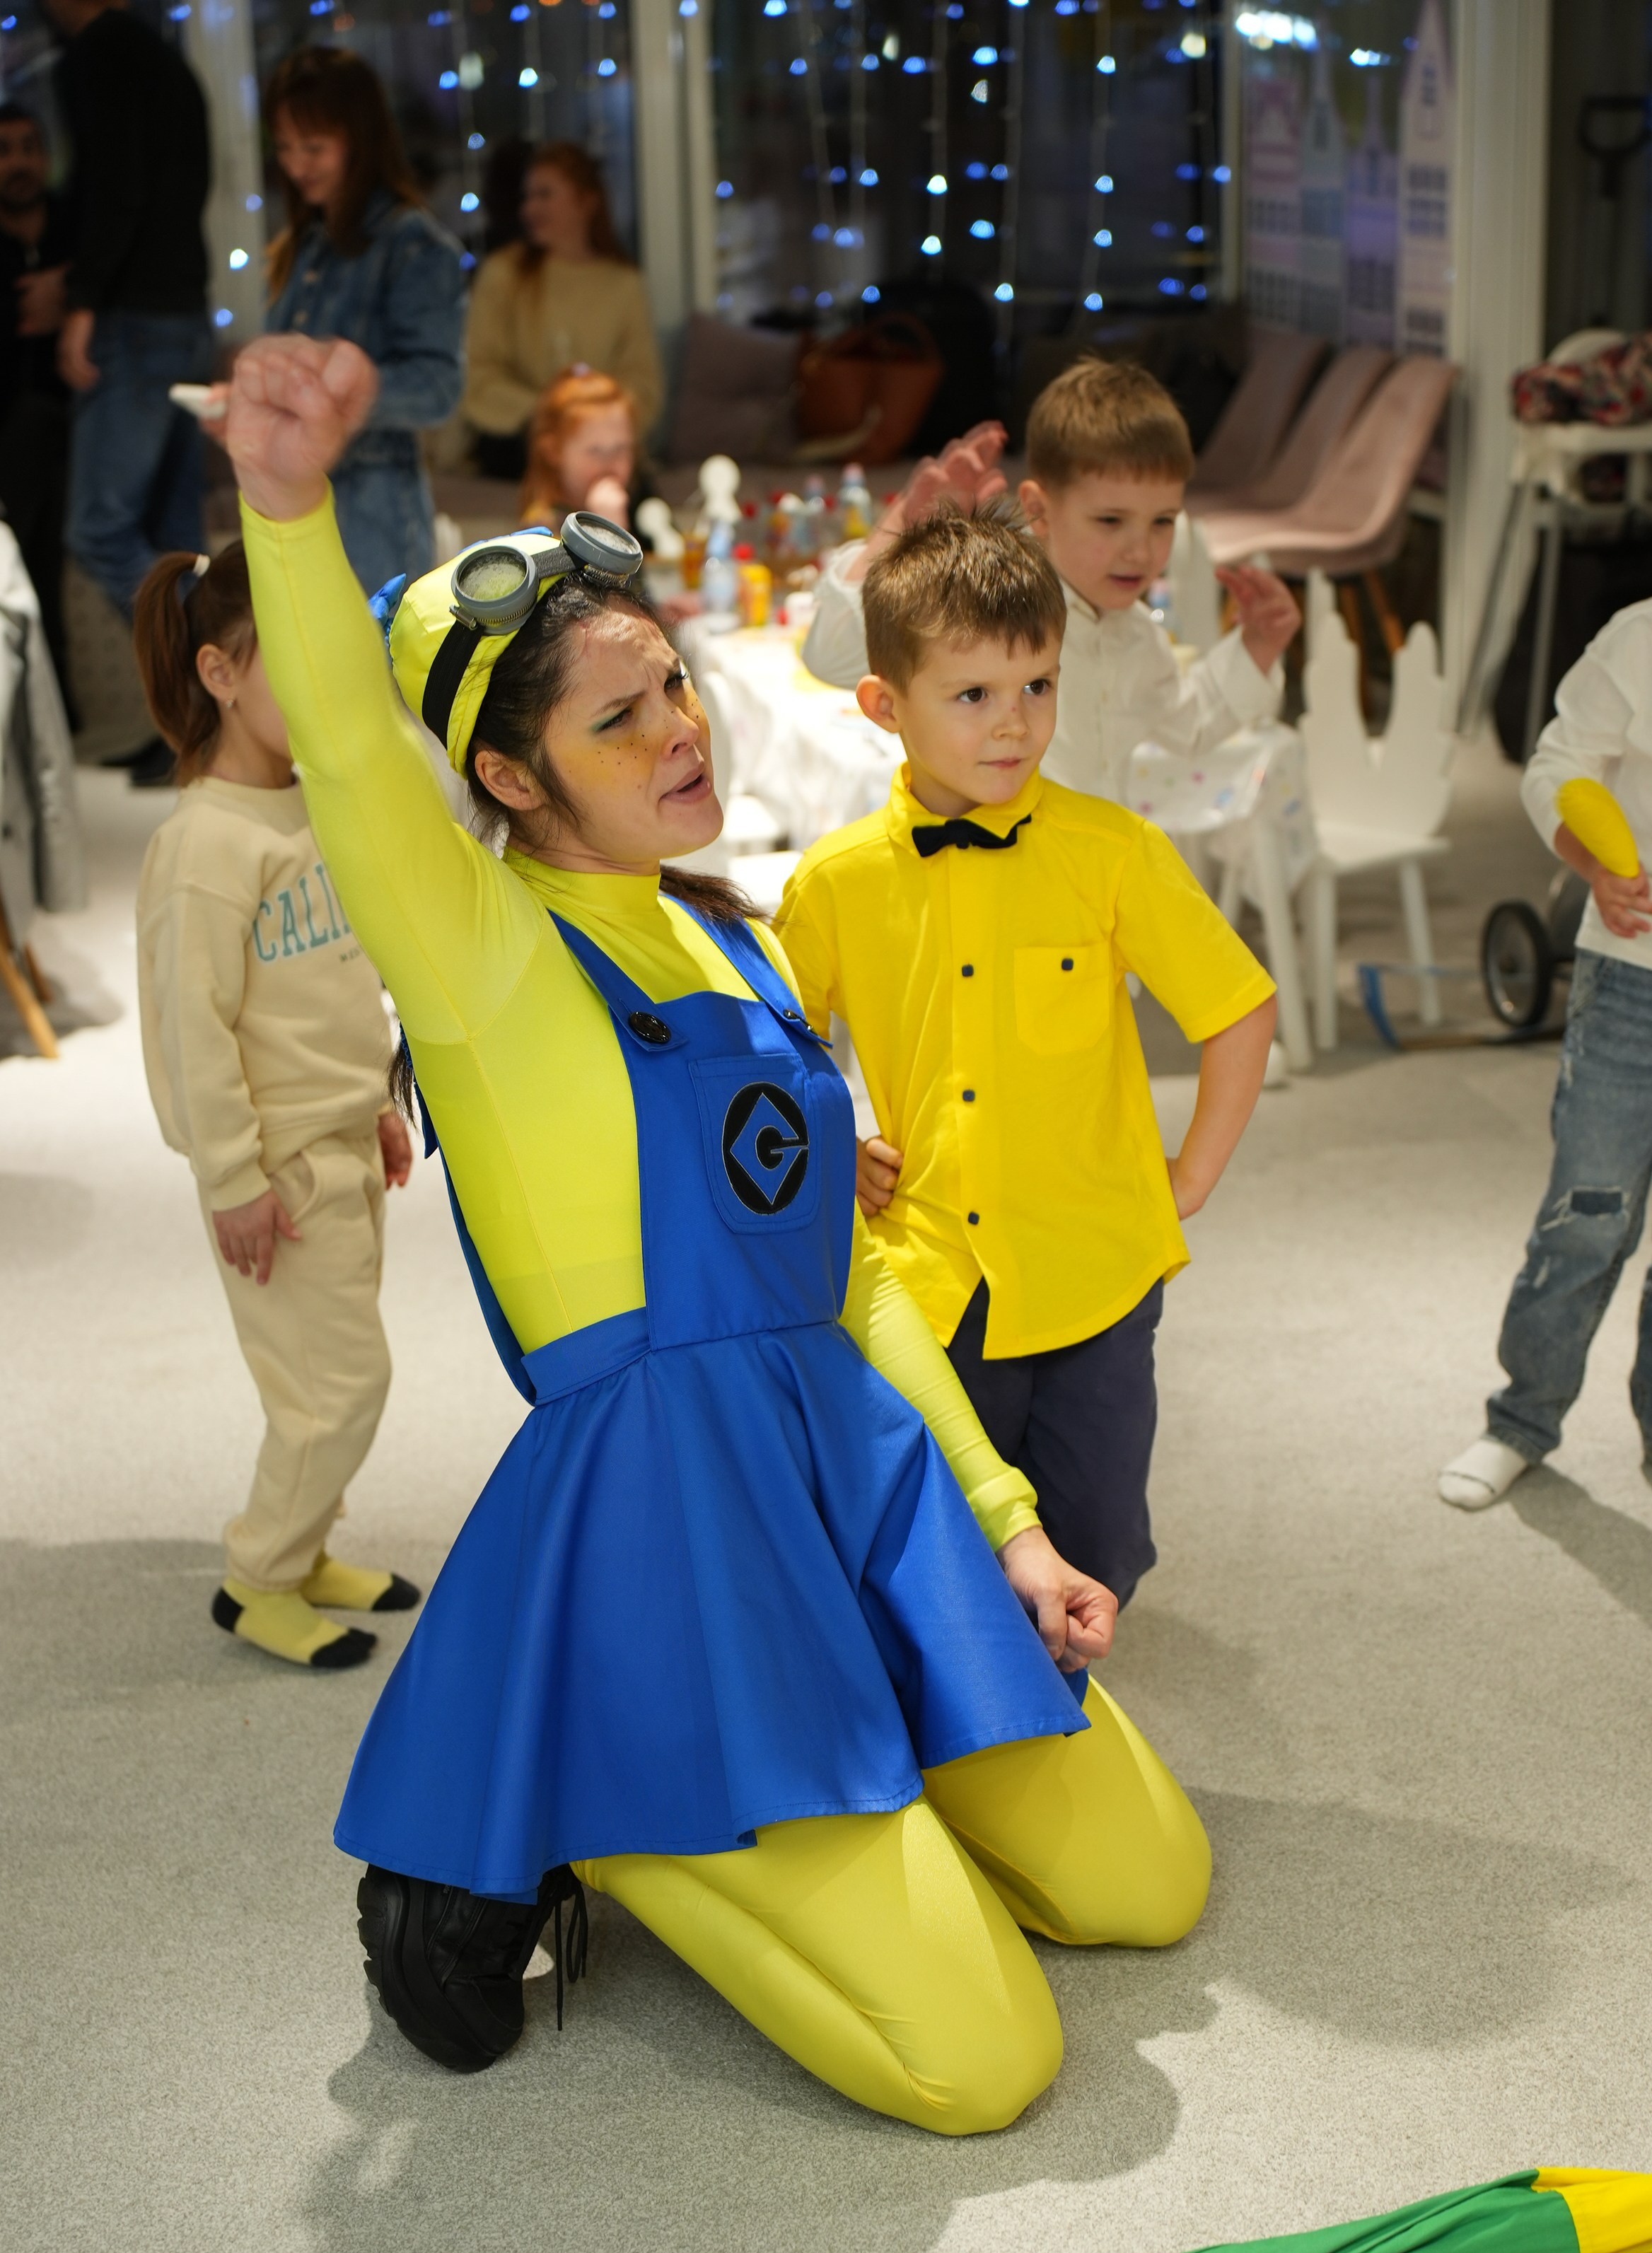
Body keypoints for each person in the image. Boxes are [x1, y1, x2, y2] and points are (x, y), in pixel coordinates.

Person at [214, 330, 1212, 2132]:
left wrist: (1001, 1520)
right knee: (985, 2066)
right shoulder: (484, 952)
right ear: (512, 783)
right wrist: (288, 511)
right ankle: (607, 1808)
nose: (679, 728)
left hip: (847, 1448)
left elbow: (841, 1279)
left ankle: (850, 1775)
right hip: (676, 1511)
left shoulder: (736, 928)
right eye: (617, 719)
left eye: (669, 684)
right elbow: (359, 768)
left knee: (1147, 1884)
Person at [773, 505, 1278, 1612]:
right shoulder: (834, 880)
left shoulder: (1112, 852)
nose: (1015, 725)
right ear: (883, 706)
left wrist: (1187, 1178)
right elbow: (772, 1049)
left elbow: (1240, 1009)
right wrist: (831, 1139)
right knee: (942, 1534)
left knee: (1099, 1533)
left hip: (1097, 1269)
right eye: (973, 696)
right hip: (933, 1273)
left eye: (1037, 686)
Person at [133, 539, 420, 1670]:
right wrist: (233, 1182)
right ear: (220, 674)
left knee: (327, 1368)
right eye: (294, 669)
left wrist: (377, 1102)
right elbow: (189, 1036)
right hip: (279, 1174)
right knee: (342, 1385)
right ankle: (258, 1576)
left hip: (343, 1137)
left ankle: (301, 1548)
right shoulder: (204, 846)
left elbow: (340, 981)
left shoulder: (308, 809)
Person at [801, 362, 1302, 803]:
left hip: (1084, 883)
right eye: (1110, 521)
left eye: (1162, 522)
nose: (1141, 550)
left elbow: (1187, 725)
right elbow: (831, 657)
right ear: (1039, 510)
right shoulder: (987, 605)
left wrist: (1257, 646)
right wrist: (895, 535)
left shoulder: (1137, 635)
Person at [1438, 606, 1652, 1510]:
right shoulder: (1637, 637)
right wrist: (1593, 866)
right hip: (1631, 980)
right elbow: (1557, 769)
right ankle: (1520, 1418)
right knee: (1585, 1216)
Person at [265, 47, 465, 593]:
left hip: (373, 512)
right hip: (298, 503)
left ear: (359, 141)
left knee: (378, 677)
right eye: (284, 147)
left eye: (314, 147)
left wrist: (343, 389)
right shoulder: (306, 245)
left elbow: (438, 387)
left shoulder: (413, 245)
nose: (296, 165)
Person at [47, 0, 211, 642]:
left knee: (99, 530)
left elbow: (117, 190)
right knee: (177, 544)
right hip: (185, 317)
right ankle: (212, 718)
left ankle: (211, 684)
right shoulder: (164, 58)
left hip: (136, 323)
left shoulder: (98, 58)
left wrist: (81, 301)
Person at [462, 142, 663, 482]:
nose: (530, 208)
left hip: (602, 447)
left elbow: (643, 383)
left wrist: (594, 421)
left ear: (586, 202)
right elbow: (478, 374)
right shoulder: (503, 273)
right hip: (518, 446)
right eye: (528, 197)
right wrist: (549, 414)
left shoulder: (624, 284)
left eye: (545, 195)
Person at [0, 103, 74, 704]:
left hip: (78, 424)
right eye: (5, 151)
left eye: (29, 147)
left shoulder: (75, 233)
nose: (18, 163)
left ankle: (60, 708)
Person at [520, 367, 638, 532]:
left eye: (621, 449)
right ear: (554, 451)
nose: (610, 463)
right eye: (595, 451)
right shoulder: (542, 525)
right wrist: (611, 530)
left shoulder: (637, 504)